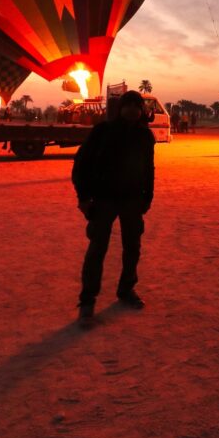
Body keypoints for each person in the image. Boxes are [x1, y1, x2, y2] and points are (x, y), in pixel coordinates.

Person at [72, 90, 155, 327]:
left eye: (136, 106)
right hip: (104, 198)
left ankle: (126, 289)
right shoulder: (103, 131)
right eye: (127, 105)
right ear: (120, 108)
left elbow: (149, 168)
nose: (132, 110)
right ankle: (87, 301)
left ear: (141, 110)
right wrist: (84, 197)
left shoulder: (144, 136)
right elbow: (82, 163)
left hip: (132, 200)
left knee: (132, 247)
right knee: (98, 248)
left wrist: (147, 197)